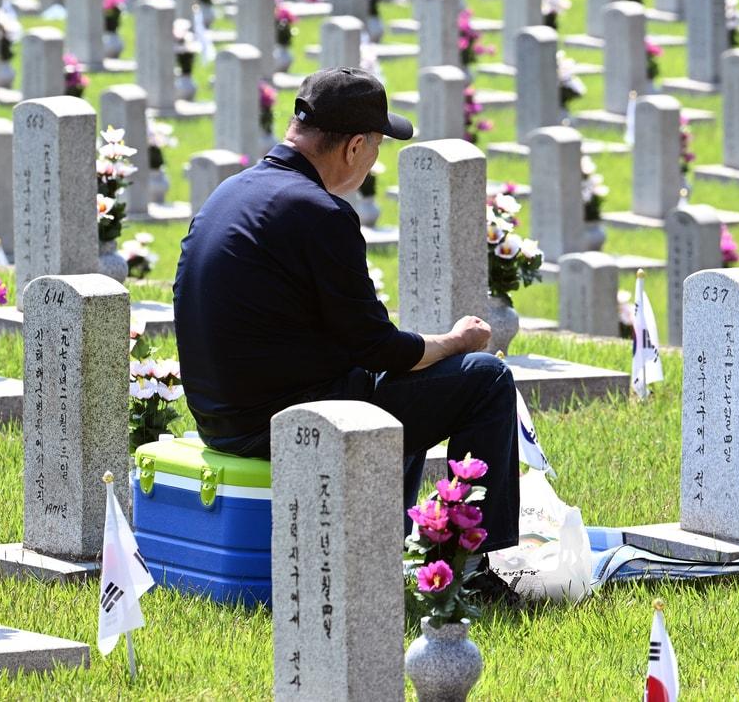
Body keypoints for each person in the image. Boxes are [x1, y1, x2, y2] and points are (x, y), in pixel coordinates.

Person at [173, 67, 521, 575]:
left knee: (394, 389)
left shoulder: (232, 192)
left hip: (219, 419)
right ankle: (465, 569)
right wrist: (454, 341)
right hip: (279, 423)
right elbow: (379, 347)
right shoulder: (320, 212)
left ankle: (381, 548)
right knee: (485, 380)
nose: (373, 162)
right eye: (377, 147)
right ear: (355, 147)